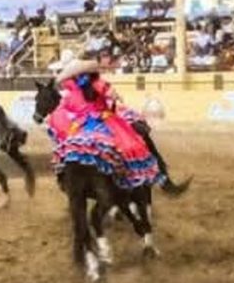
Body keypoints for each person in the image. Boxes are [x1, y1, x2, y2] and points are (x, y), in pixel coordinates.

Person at [46, 59, 177, 193]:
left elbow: (67, 107)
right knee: (125, 145)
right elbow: (114, 97)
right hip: (102, 118)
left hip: (84, 122)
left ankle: (67, 177)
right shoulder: (95, 85)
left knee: (71, 145)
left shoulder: (75, 89)